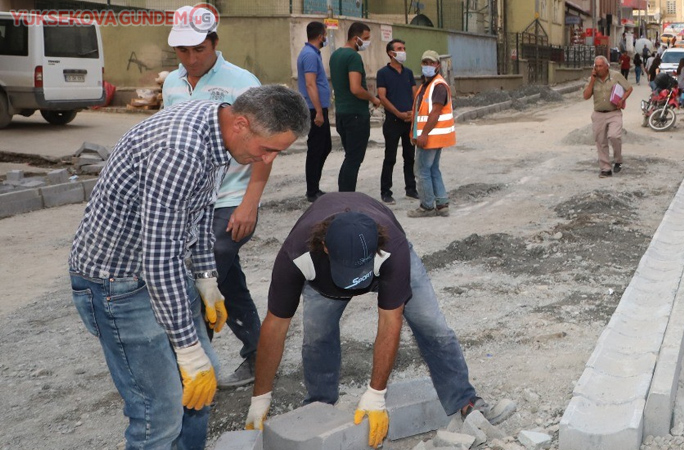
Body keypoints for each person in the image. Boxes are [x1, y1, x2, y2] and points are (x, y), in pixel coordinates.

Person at [70, 85, 309, 450]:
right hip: (117, 283)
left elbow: (198, 211)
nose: (268, 161)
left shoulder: (216, 131)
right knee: (159, 414)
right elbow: (158, 258)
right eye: (268, 149)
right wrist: (187, 347)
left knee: (201, 384)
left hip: (155, 270)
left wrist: (206, 277)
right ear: (242, 124)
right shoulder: (180, 151)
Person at [242, 192, 515, 448]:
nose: (354, 283)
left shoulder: (392, 248)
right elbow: (275, 326)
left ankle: (464, 401)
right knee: (317, 338)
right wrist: (260, 398)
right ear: (324, 247)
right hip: (323, 283)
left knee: (433, 327)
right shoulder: (296, 255)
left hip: (385, 263)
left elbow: (389, 322)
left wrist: (376, 394)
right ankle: (319, 411)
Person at [162, 5, 266, 388]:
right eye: (183, 51)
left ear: (215, 43)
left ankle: (191, 363)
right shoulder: (171, 83)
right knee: (225, 279)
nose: (191, 59)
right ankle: (258, 352)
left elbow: (265, 149)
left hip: (230, 198)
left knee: (202, 269)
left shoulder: (242, 83)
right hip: (188, 201)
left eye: (199, 50)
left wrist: (249, 204)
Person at [330, 21, 381, 192]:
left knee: (349, 157)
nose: (367, 42)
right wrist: (373, 98)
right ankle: (347, 196)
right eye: (365, 39)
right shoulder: (353, 57)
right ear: (355, 38)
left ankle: (344, 193)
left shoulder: (335, 55)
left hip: (342, 114)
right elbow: (356, 88)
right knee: (354, 159)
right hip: (356, 115)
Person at [408, 50, 455, 218]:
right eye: (425, 63)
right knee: (433, 169)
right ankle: (442, 205)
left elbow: (434, 113)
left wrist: (423, 134)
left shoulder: (438, 86)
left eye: (431, 63)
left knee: (422, 171)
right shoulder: (427, 85)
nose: (428, 66)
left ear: (437, 65)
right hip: (433, 136)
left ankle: (427, 206)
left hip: (430, 137)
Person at [376, 39, 419, 206]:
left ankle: (411, 188)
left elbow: (415, 94)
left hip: (409, 120)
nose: (403, 51)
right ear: (390, 53)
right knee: (390, 157)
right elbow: (382, 97)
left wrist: (412, 113)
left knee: (409, 157)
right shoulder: (383, 73)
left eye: (404, 48)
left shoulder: (408, 73)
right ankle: (386, 191)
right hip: (393, 121)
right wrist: (398, 113)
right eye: (399, 48)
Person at [299, 21, 334, 202]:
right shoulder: (310, 55)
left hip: (318, 108)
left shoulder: (313, 54)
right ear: (321, 36)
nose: (326, 38)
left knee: (325, 147)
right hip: (314, 109)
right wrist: (319, 112)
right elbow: (310, 84)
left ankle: (314, 187)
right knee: (316, 149)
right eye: (325, 34)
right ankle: (312, 191)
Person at [583, 56, 632, 178]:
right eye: (596, 66)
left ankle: (618, 160)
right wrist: (593, 80)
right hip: (598, 114)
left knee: (614, 136)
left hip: (614, 112)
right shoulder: (591, 79)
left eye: (600, 66)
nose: (598, 68)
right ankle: (605, 168)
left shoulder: (616, 76)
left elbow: (629, 88)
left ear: (606, 66)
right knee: (601, 141)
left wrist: (622, 99)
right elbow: (586, 96)